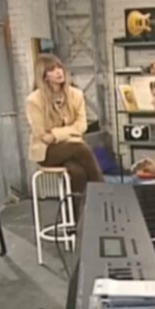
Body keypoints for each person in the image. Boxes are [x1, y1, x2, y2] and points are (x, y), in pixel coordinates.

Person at [26, 54, 103, 215]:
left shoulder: (76, 95)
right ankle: (103, 194)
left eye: (59, 67)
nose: (58, 72)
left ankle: (76, 218)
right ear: (44, 76)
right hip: (47, 152)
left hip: (70, 147)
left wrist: (55, 135)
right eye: (52, 70)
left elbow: (81, 125)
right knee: (81, 147)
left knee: (77, 172)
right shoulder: (34, 100)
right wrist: (68, 133)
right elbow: (42, 135)